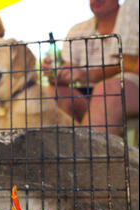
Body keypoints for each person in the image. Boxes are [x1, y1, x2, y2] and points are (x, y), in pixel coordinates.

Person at [42, 0, 139, 136]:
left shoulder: (132, 14)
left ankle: (88, 154)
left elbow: (130, 65)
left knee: (106, 91)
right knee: (53, 92)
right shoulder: (77, 31)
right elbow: (67, 69)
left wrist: (87, 74)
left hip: (123, 92)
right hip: (85, 96)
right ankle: (62, 152)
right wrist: (56, 74)